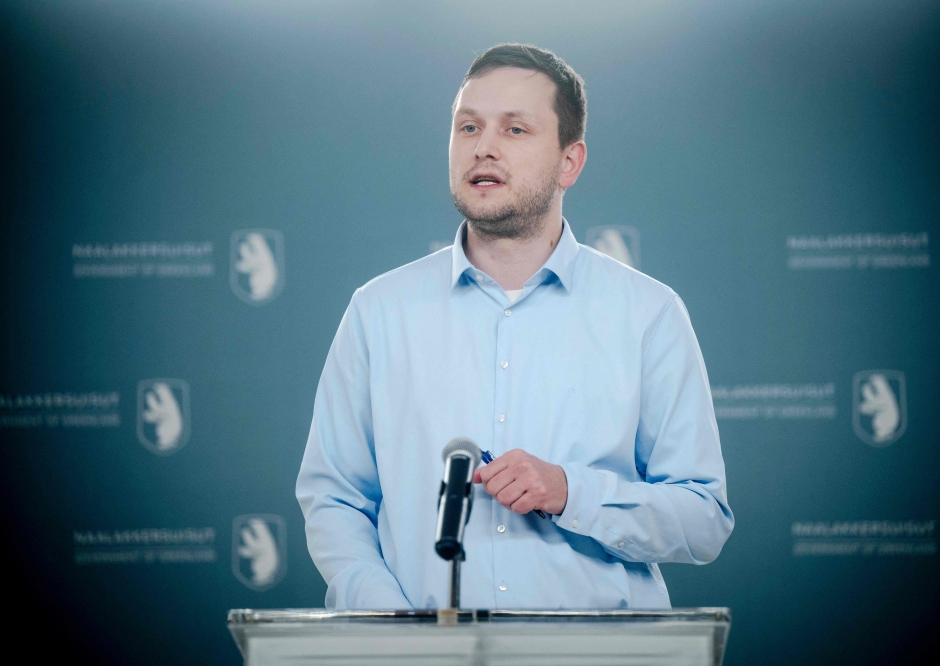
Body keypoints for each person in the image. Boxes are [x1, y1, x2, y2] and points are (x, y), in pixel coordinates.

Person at [296, 43, 733, 610]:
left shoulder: (648, 314)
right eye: (468, 127)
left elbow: (703, 519)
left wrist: (572, 492)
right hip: (425, 649)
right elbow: (335, 501)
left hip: (600, 650)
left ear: (569, 162)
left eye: (515, 129)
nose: (483, 147)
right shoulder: (378, 311)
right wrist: (391, 622)